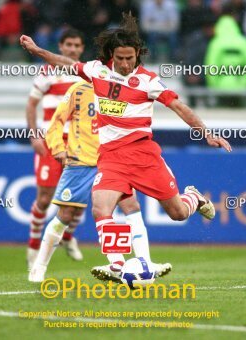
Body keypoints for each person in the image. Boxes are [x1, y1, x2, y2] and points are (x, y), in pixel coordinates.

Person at [20, 13, 231, 282]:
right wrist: (38, 51)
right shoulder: (98, 70)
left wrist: (206, 133)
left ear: (137, 56)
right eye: (119, 58)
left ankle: (195, 198)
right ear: (112, 55)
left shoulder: (148, 81)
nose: (124, 63)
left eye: (129, 58)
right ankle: (119, 265)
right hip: (111, 158)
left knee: (177, 213)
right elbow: (67, 63)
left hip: (143, 155)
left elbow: (178, 106)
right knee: (100, 207)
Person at [29, 81, 169, 282]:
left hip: (114, 160)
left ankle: (138, 262)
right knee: (65, 215)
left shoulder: (121, 89)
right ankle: (39, 267)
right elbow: (56, 121)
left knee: (131, 205)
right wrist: (57, 146)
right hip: (81, 162)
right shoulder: (79, 89)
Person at [25, 29, 84, 270]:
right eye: (68, 44)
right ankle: (33, 247)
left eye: (76, 44)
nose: (72, 48)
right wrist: (33, 135)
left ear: (81, 48)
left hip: (80, 145)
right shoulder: (47, 72)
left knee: (78, 199)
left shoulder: (86, 74)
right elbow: (31, 104)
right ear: (60, 46)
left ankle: (68, 238)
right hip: (51, 144)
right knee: (45, 198)